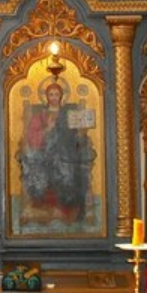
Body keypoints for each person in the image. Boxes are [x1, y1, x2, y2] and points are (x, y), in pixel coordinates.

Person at [18, 81, 96, 224]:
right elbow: (31, 137)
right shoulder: (40, 116)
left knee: (69, 171)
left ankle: (69, 209)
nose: (54, 97)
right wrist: (48, 128)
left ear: (61, 96)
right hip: (44, 153)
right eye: (51, 94)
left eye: (56, 94)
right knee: (41, 171)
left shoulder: (69, 114)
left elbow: (78, 135)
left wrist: (82, 130)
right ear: (46, 97)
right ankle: (44, 208)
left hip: (67, 152)